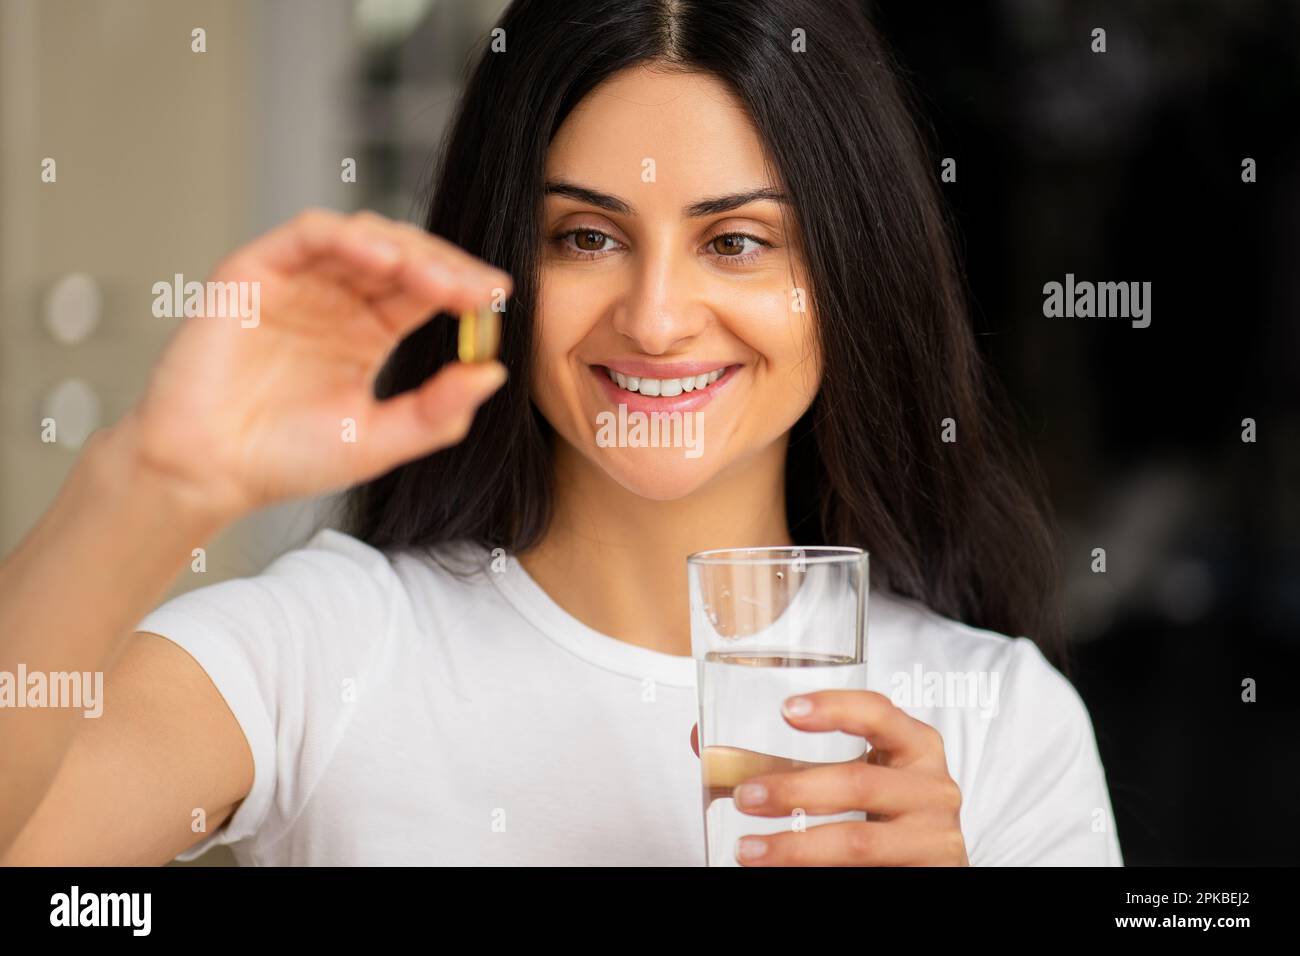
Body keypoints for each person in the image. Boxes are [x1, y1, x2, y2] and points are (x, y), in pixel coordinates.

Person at [0, 0, 1122, 866]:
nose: (655, 316)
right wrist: (154, 477)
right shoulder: (326, 647)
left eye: (735, 242)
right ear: (503, 273)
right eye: (586, 236)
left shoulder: (1003, 720)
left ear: (848, 277)